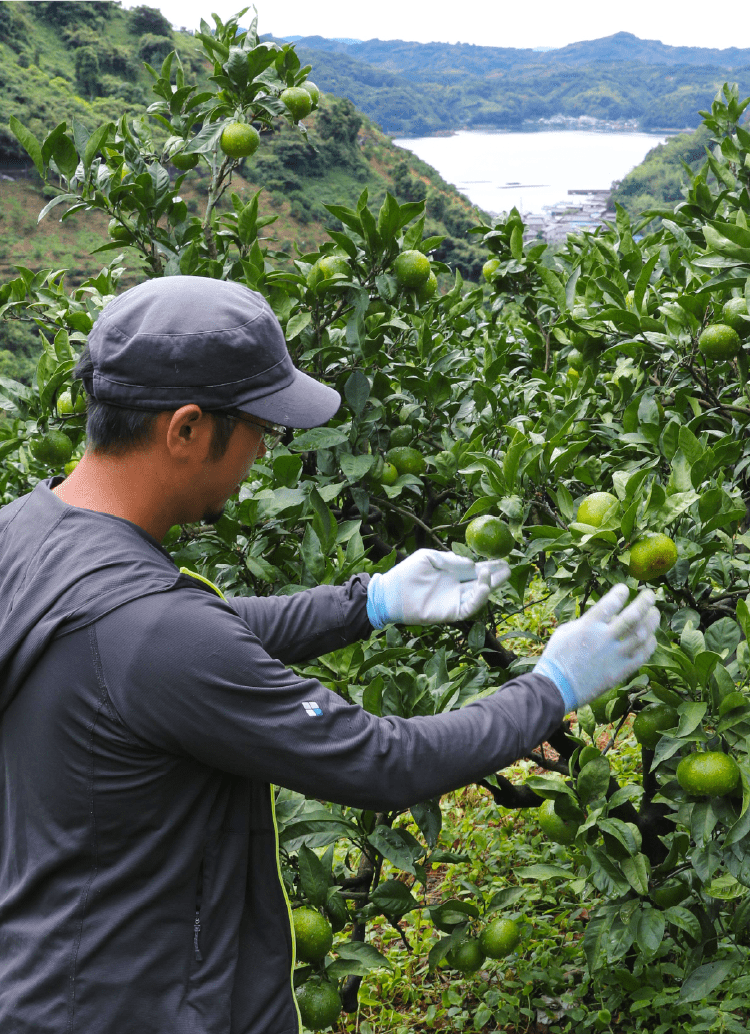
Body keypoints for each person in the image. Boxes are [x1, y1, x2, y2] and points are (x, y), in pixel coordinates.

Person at [0, 276, 659, 1034]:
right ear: (186, 429)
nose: (263, 450)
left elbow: (180, 635)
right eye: (260, 427)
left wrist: (369, 600)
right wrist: (553, 686)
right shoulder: (155, 635)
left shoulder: (26, 531)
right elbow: (383, 763)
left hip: (45, 976)